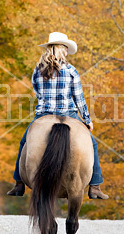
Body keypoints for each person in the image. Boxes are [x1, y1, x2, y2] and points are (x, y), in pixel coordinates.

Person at [7, 32, 108, 199]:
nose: (67, 53)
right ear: (61, 50)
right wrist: (87, 120)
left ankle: (18, 183)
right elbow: (79, 97)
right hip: (68, 114)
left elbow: (38, 93)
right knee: (93, 144)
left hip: (43, 114)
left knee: (24, 141)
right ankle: (95, 186)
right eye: (66, 49)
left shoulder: (38, 70)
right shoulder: (70, 70)